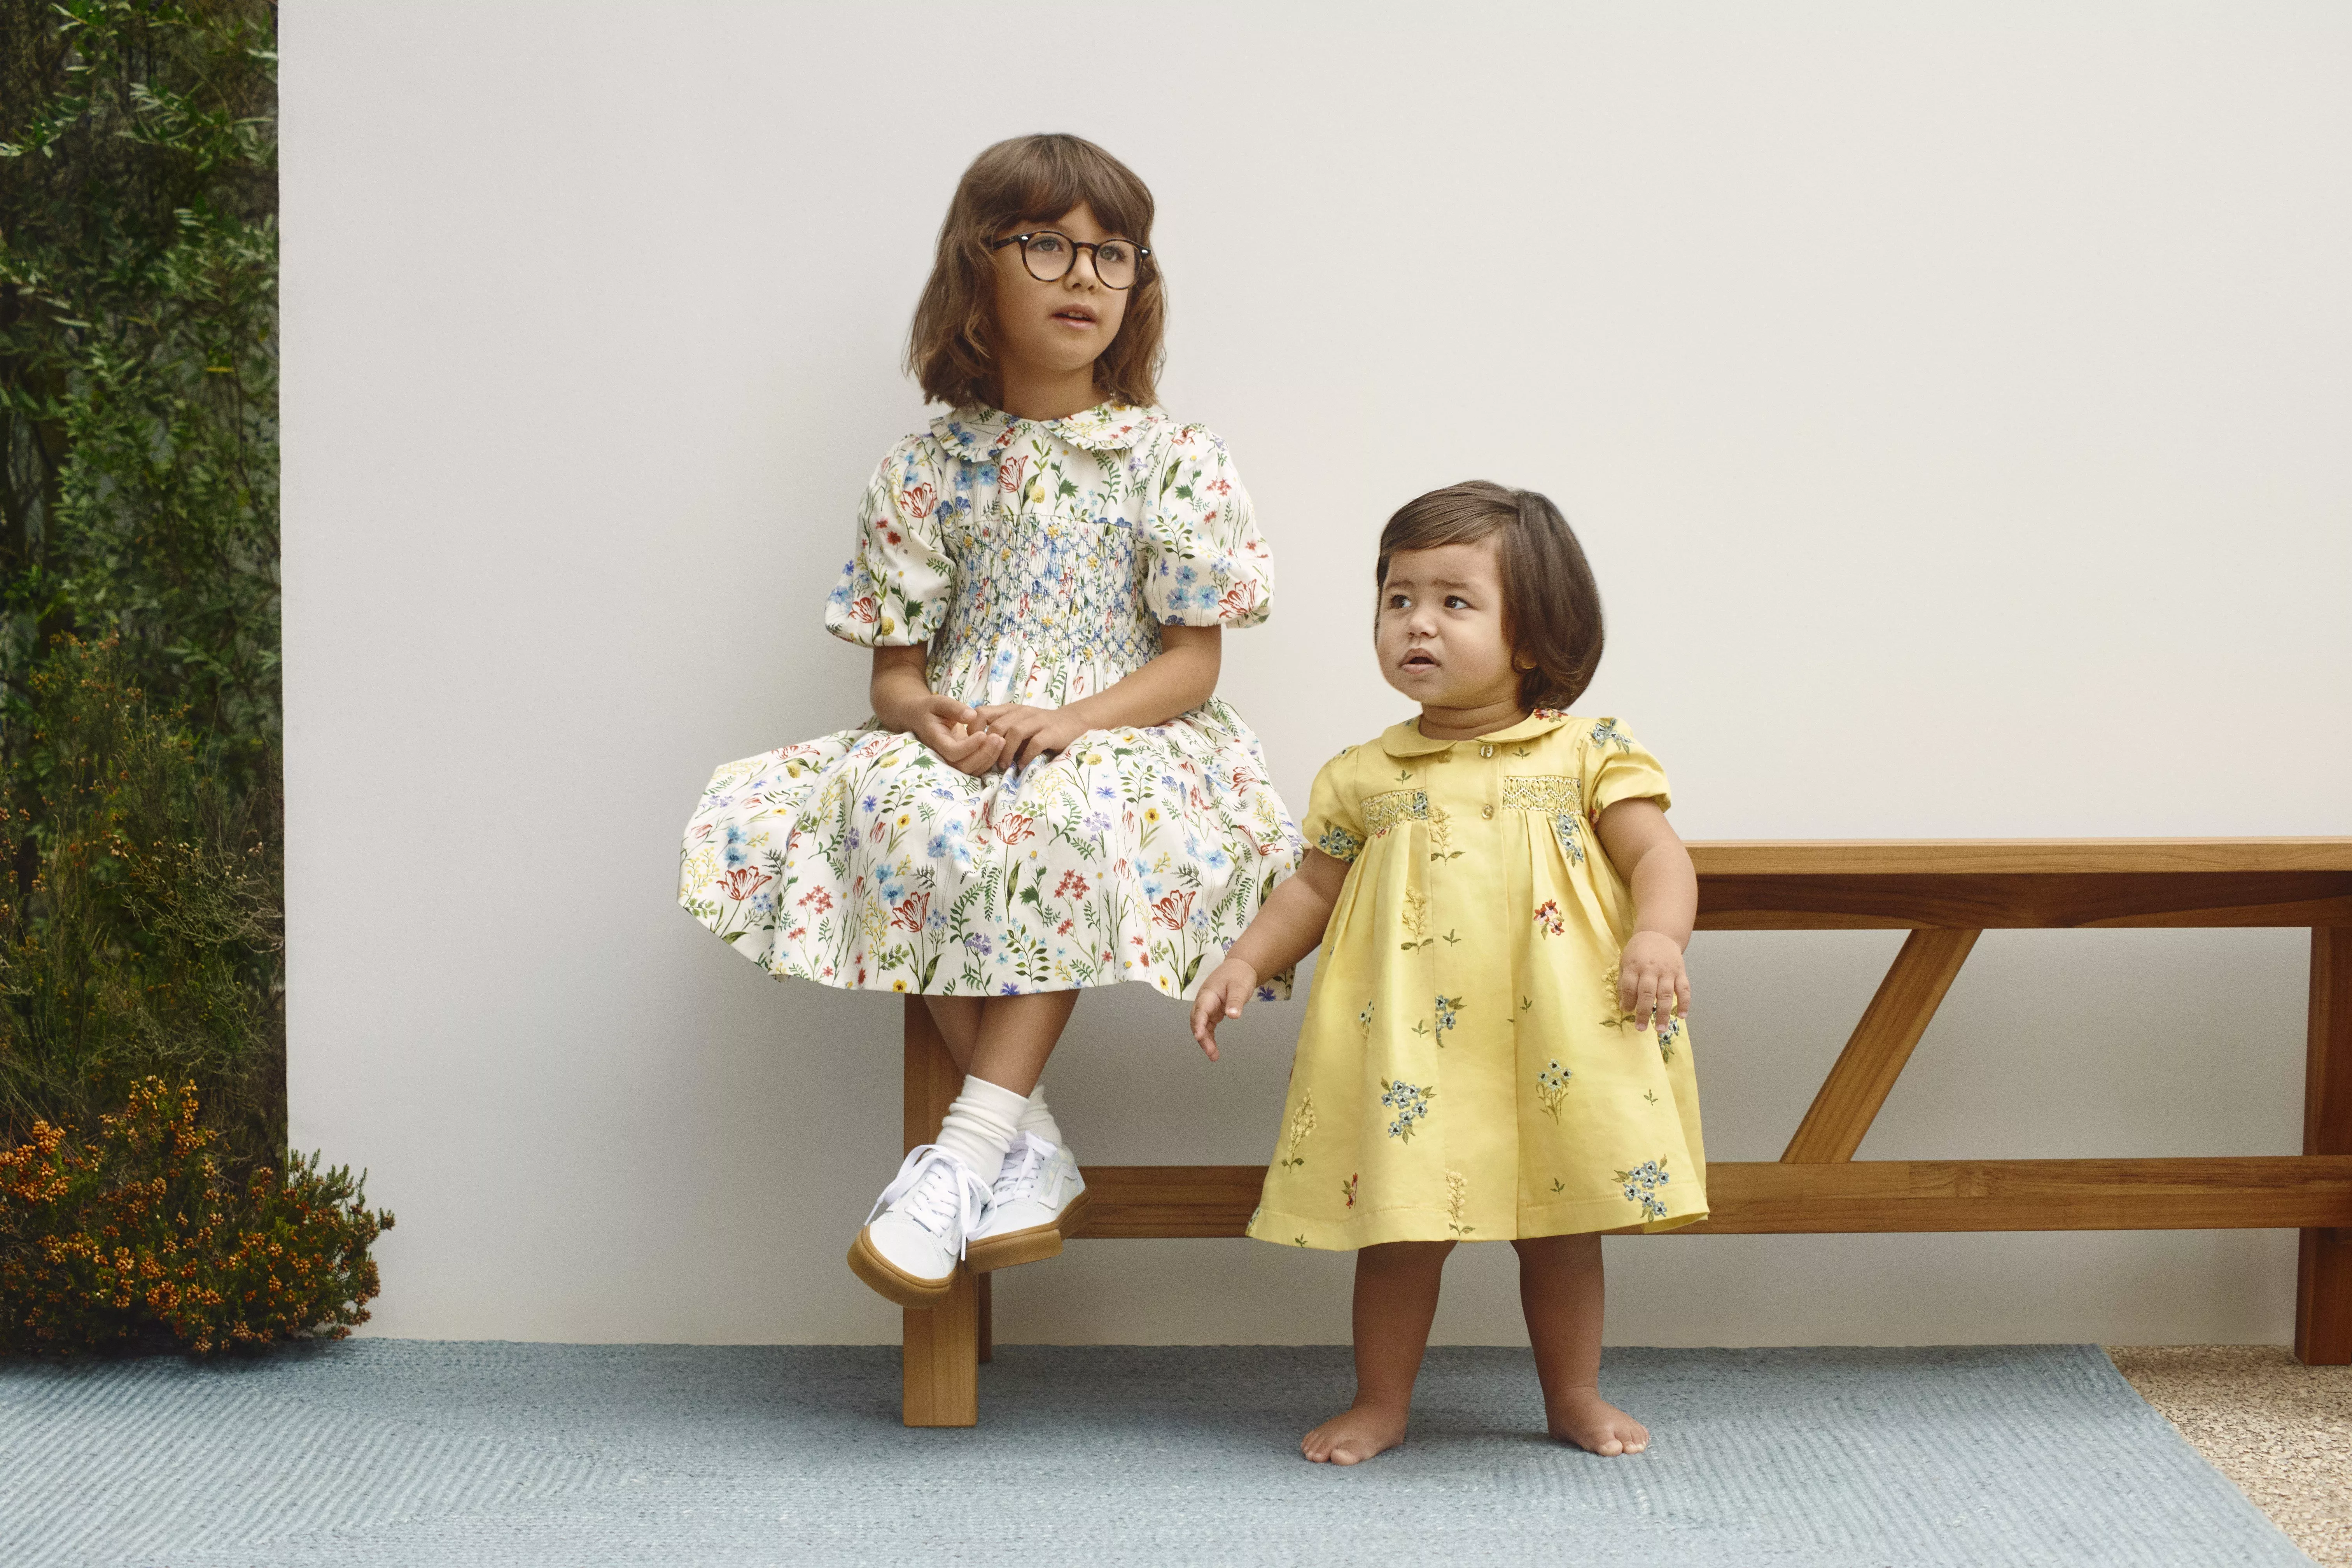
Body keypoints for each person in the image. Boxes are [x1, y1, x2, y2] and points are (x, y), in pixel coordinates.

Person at [679, 134, 1298, 1310]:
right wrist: (932, 724)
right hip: (974, 733)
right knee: (891, 813)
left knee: (1053, 814)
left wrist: (1075, 718)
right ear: (980, 267)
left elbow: (1192, 665)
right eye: (1048, 246)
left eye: (1113, 256)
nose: (1083, 277)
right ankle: (1025, 1146)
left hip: (1124, 728)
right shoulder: (922, 472)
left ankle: (965, 1155)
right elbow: (896, 680)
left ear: (1140, 285)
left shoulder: (1170, 458)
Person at [1190, 481, 1705, 1464]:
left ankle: (1575, 1395)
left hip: (1556, 1037)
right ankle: (1381, 1402)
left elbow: (1658, 857)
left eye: (1454, 601)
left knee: (1562, 1230)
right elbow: (1311, 889)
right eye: (1397, 599)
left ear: (1532, 635)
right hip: (1410, 1046)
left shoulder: (1584, 753)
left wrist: (1660, 938)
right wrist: (1247, 960)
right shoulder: (1364, 775)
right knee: (1399, 1232)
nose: (1416, 622)